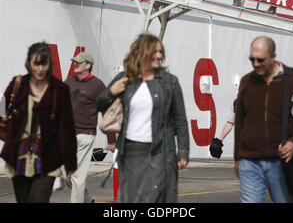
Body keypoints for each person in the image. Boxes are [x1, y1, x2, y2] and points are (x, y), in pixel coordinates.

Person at [96, 33, 189, 203]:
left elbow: (180, 119)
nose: (159, 55)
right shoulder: (125, 79)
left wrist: (183, 152)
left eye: (161, 52)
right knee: (131, 199)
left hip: (159, 151)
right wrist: (111, 92)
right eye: (155, 51)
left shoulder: (170, 82)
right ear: (142, 52)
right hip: (130, 151)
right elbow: (99, 104)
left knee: (155, 199)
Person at [0, 42, 77, 203]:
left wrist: (70, 162)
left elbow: (66, 127)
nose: (40, 69)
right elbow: (2, 110)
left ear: (49, 64)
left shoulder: (59, 89)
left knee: (38, 199)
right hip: (19, 155)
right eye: (36, 63)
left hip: (47, 157)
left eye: (44, 64)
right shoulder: (18, 84)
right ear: (29, 63)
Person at [234, 36, 293, 203]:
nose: (256, 64)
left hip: (282, 163)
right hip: (250, 161)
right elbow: (240, 121)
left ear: (273, 55)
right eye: (252, 59)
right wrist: (237, 157)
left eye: (261, 60)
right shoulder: (247, 82)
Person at [64, 51, 116, 203]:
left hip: (85, 135)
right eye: (75, 61)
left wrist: (111, 139)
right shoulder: (69, 81)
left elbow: (108, 113)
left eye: (78, 62)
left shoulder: (98, 85)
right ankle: (87, 199)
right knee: (65, 175)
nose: (75, 63)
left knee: (77, 177)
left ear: (88, 65)